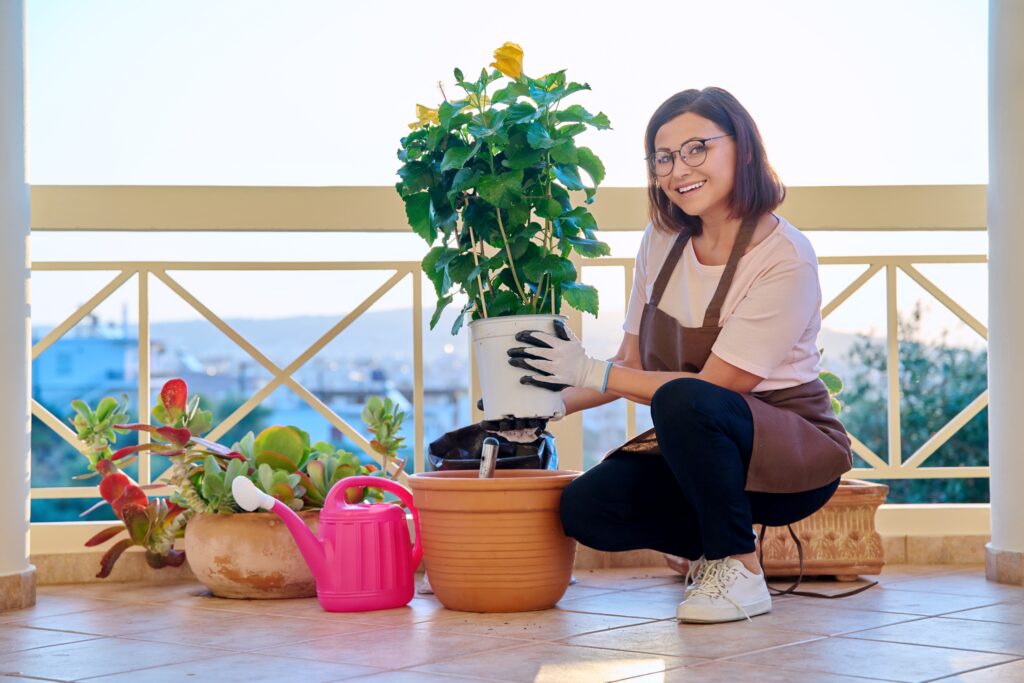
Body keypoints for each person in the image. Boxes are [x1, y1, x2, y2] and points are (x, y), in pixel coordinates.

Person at [507, 86, 853, 624]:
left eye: (697, 148)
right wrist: (548, 406)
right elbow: (633, 362)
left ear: (741, 147)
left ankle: (737, 569)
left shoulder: (784, 256)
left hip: (788, 454)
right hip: (698, 445)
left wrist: (588, 369)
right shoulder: (661, 239)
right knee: (586, 510)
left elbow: (717, 387)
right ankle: (709, 548)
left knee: (689, 399)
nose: (677, 169)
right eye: (663, 157)